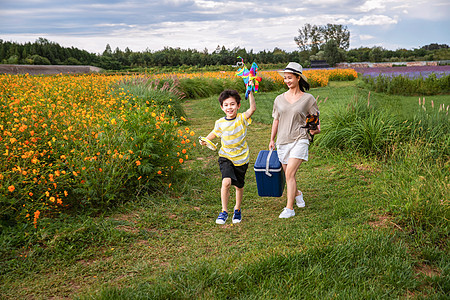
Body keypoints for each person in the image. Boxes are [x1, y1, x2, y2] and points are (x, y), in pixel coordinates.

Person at [269, 62, 321, 219]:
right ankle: (297, 193)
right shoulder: (279, 99)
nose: (287, 81)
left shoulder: (308, 99)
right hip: (282, 140)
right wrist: (272, 139)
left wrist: (316, 129)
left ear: (298, 78)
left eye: (290, 78)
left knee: (290, 173)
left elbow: (315, 119)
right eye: (285, 78)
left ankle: (289, 208)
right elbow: (276, 120)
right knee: (288, 174)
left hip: (300, 138)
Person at [200, 87, 256, 224]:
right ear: (221, 107)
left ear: (238, 105)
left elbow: (252, 108)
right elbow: (214, 133)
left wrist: (251, 93)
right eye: (226, 105)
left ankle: (237, 209)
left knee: (239, 186)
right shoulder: (220, 123)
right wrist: (206, 140)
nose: (229, 107)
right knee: (226, 182)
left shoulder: (242, 118)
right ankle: (224, 211)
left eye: (232, 104)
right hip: (226, 156)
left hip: (242, 158)